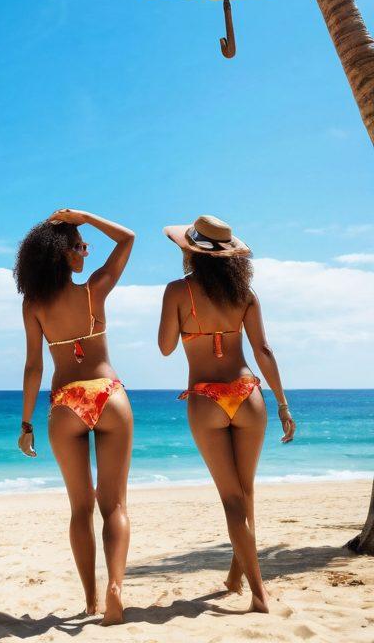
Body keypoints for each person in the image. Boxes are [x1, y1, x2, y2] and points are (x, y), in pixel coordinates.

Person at [158, 215, 296, 614]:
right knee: (246, 493)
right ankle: (236, 577)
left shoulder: (177, 291)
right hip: (247, 392)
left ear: (192, 253)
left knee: (232, 498)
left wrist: (187, 324)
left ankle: (258, 593)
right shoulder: (246, 295)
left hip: (206, 397)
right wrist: (283, 405)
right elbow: (263, 352)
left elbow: (166, 347)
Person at [15, 207, 135, 625]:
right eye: (81, 246)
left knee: (80, 508)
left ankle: (90, 600)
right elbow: (128, 238)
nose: (86, 252)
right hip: (109, 394)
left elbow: (34, 367)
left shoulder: (33, 305)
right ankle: (115, 588)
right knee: (114, 504)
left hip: (66, 403)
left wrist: (27, 422)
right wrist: (84, 216)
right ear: (65, 255)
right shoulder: (93, 292)